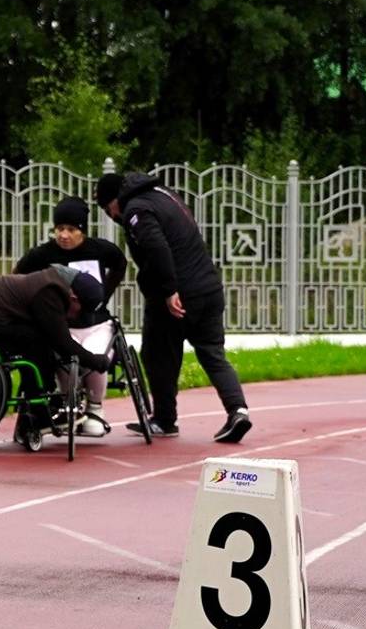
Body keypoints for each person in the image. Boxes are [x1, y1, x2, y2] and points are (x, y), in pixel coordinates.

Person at [97, 168, 251, 444]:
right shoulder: (164, 194)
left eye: (109, 211)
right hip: (208, 286)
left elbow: (156, 247)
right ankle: (238, 410)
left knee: (157, 355)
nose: (113, 217)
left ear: (113, 201)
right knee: (213, 354)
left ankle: (164, 419)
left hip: (176, 295)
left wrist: (169, 291)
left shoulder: (136, 210)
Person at [15, 197, 129, 435]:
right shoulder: (42, 255)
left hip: (97, 324)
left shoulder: (101, 249)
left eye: (71, 229)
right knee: (65, 358)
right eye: (59, 229)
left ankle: (95, 408)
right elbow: (17, 276)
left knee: (96, 356)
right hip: (63, 325)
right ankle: (70, 406)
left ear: (82, 230)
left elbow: (120, 264)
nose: (64, 235)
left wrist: (104, 294)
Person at [0, 266, 108, 451]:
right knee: (31, 341)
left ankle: (40, 404)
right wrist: (96, 362)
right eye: (81, 310)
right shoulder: (49, 296)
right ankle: (39, 409)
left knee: (38, 342)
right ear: (74, 298)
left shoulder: (59, 286)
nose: (78, 316)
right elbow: (64, 345)